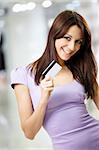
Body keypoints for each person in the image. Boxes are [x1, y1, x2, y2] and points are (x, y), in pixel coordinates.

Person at [10, 10, 99, 150]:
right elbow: (29, 133)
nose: (72, 47)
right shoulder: (23, 75)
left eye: (78, 42)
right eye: (67, 38)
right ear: (54, 34)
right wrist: (44, 99)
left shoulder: (80, 69)